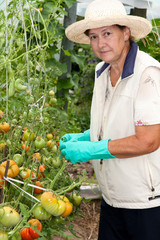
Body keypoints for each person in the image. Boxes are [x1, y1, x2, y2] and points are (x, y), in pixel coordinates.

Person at [60, 0, 160, 239]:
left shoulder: (146, 74)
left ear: (125, 33)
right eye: (93, 36)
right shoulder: (102, 71)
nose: (100, 43)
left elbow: (148, 141)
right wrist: (88, 135)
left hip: (145, 202)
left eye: (107, 33)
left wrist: (92, 149)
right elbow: (118, 119)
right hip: (112, 197)